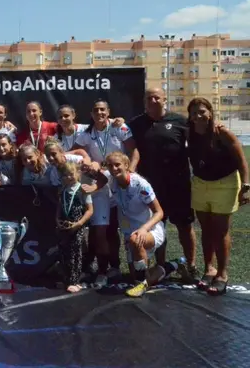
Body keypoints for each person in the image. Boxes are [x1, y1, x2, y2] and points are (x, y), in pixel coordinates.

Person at [128, 88, 198, 282]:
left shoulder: (180, 122)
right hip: (151, 187)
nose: (153, 100)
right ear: (144, 101)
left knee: (185, 226)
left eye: (157, 97)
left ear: (165, 99)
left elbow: (199, 136)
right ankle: (160, 266)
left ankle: (191, 266)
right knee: (157, 227)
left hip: (179, 185)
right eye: (149, 97)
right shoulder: (136, 123)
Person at [187, 97, 250, 295]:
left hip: (225, 185)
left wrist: (246, 186)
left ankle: (222, 274)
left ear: (211, 112)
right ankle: (209, 268)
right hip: (200, 184)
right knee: (205, 229)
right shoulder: (189, 132)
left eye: (202, 111)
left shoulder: (222, 132)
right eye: (194, 112)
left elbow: (242, 162)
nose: (198, 116)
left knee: (221, 231)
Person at [74, 99, 137, 286]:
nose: (100, 113)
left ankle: (117, 267)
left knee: (117, 229)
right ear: (91, 114)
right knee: (100, 229)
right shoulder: (86, 134)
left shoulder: (120, 127)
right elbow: (75, 150)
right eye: (96, 110)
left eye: (103, 110)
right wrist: (87, 159)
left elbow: (134, 151)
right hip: (99, 183)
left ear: (108, 111)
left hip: (121, 181)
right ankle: (101, 271)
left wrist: (131, 172)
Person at [102, 152, 167, 298]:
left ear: (126, 165)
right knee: (136, 274)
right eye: (110, 165)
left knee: (135, 241)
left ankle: (142, 284)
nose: (114, 168)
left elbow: (159, 212)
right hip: (130, 232)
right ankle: (169, 267)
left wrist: (144, 229)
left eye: (117, 164)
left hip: (150, 230)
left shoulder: (140, 184)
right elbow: (95, 171)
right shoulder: (111, 179)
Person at [56, 162, 94, 293]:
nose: (68, 177)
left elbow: (89, 210)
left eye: (71, 174)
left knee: (76, 252)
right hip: (64, 225)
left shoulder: (82, 189)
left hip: (77, 225)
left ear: (78, 174)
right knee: (63, 251)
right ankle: (65, 279)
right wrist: (57, 219)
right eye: (65, 175)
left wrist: (79, 223)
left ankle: (75, 281)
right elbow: (59, 207)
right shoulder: (63, 190)